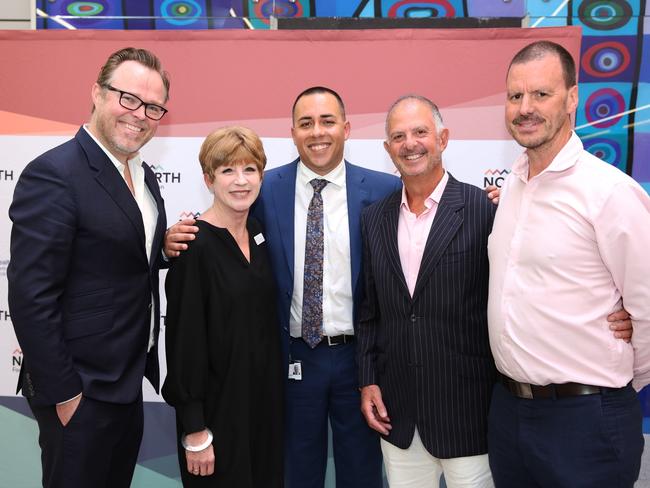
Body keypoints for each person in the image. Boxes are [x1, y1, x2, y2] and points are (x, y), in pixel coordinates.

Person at [166, 86, 401, 488]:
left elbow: (425, 227)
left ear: (346, 128)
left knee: (362, 473)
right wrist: (169, 242)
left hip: (359, 364)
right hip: (290, 364)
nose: (317, 132)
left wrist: (493, 203)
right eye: (306, 123)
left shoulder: (384, 191)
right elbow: (218, 233)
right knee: (292, 473)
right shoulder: (263, 189)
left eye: (327, 121)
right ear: (292, 132)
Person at [487, 40, 650, 487]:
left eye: (541, 94)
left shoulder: (609, 193)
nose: (525, 108)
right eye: (515, 96)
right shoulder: (513, 187)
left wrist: (613, 382)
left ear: (572, 98)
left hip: (586, 422)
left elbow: (649, 308)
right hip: (509, 414)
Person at [8, 47, 170, 488]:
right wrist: (67, 395)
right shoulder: (55, 173)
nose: (141, 114)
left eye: (154, 106)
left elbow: (121, 257)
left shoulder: (143, 175)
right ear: (97, 93)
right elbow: (30, 295)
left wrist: (165, 251)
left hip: (127, 382)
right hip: (80, 391)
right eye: (129, 98)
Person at [357, 95, 496, 488]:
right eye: (398, 136)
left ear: (443, 138)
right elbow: (371, 312)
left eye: (420, 132)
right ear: (388, 149)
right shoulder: (374, 219)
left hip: (468, 415)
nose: (410, 143)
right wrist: (368, 379)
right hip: (398, 417)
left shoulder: (482, 209)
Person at [162, 126, 283, 487]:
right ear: (208, 179)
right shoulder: (192, 246)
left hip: (263, 413)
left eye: (249, 169)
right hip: (216, 419)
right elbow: (183, 345)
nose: (240, 181)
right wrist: (195, 431)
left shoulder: (260, 235)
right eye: (227, 170)